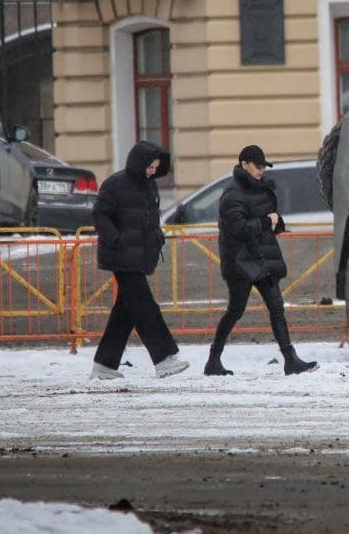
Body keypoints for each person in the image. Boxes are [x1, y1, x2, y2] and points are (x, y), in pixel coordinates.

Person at [205, 145, 318, 376]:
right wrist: (267, 222)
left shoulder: (259, 189)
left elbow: (263, 221)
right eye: (258, 166)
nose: (262, 170)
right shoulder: (232, 194)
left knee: (277, 308)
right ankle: (213, 360)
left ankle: (290, 359)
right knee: (236, 310)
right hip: (240, 262)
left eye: (264, 166)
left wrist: (277, 223)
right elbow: (238, 229)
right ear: (244, 164)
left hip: (262, 258)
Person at [90, 140, 189, 379]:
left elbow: (150, 219)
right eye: (150, 167)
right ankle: (164, 358)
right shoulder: (115, 184)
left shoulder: (149, 186)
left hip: (139, 256)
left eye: (156, 167)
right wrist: (116, 240)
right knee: (145, 307)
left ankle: (104, 365)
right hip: (121, 257)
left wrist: (156, 238)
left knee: (125, 312)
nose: (153, 171)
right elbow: (99, 215)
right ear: (138, 163)